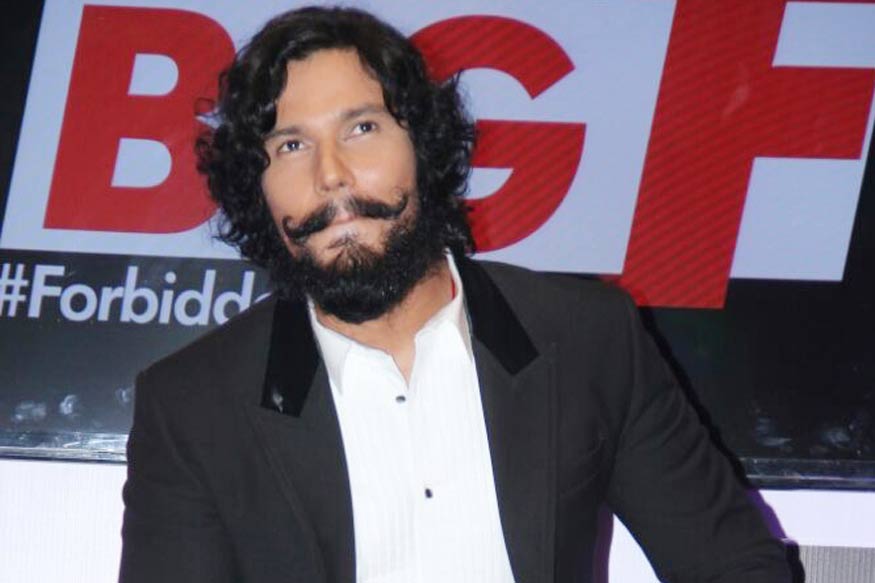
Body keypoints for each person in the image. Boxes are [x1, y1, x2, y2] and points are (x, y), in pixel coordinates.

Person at [119, 6, 791, 583]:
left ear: (423, 144)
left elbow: (736, 566)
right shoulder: (194, 406)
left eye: (361, 128)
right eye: (291, 145)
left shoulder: (587, 338)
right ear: (257, 189)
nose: (332, 175)